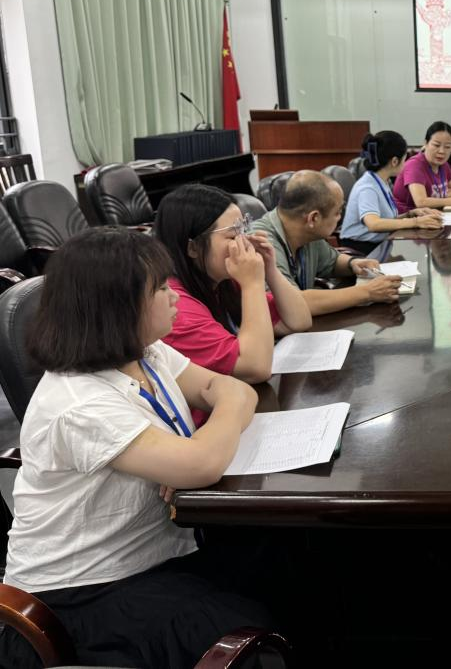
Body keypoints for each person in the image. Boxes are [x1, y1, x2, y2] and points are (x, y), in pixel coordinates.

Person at [0, 228, 271, 668]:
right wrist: (194, 452)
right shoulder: (79, 403)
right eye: (160, 288)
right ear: (116, 307)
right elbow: (204, 460)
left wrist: (193, 446)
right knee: (239, 629)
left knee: (286, 556)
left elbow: (234, 390)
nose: (175, 296)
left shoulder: (147, 353)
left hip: (159, 549)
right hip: (82, 590)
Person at [154, 184, 311, 383]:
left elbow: (298, 321)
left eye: (243, 230)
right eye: (233, 235)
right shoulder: (176, 307)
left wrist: (270, 268)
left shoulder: (222, 282)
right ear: (193, 248)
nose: (244, 242)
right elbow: (256, 368)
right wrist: (252, 284)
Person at [252, 170, 405, 315]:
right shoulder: (262, 243)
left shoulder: (305, 230)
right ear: (314, 218)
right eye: (337, 212)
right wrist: (367, 292)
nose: (340, 218)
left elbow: (331, 261)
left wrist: (353, 263)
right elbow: (291, 305)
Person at [342, 130, 444, 251]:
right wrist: (416, 222)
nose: (405, 164)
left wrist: (410, 214)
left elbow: (385, 220)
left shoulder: (381, 181)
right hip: (362, 249)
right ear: (394, 161)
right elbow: (374, 224)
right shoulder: (367, 187)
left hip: (377, 244)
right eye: (404, 160)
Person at [393, 121, 451, 212]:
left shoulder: (443, 164)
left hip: (433, 213)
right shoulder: (414, 165)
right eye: (436, 145)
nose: (441, 151)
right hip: (407, 216)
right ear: (426, 143)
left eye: (447, 147)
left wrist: (437, 198)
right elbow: (421, 202)